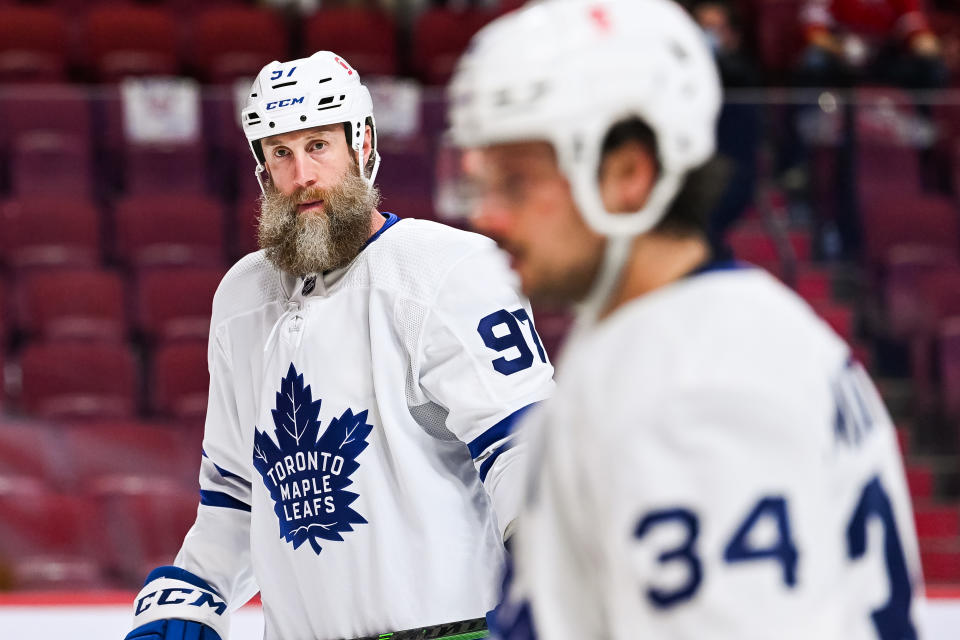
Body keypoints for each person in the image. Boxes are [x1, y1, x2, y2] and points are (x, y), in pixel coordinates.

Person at [448, 0, 925, 637]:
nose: (488, 216)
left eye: (517, 180)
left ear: (628, 174)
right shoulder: (681, 336)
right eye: (483, 181)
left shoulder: (697, 393)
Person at [125, 51, 554, 640]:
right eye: (281, 153)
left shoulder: (448, 269)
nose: (302, 175)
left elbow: (524, 450)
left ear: (363, 144)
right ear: (262, 169)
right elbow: (235, 491)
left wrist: (556, 578)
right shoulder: (243, 299)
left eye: (319, 146)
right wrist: (192, 597)